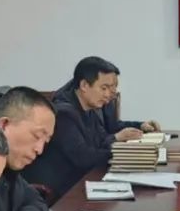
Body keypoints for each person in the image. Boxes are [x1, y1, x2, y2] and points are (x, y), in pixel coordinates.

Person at [24, 56, 154, 198]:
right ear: (84, 85)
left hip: (82, 181)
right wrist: (124, 153)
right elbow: (84, 157)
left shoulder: (90, 108)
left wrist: (127, 146)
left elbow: (101, 139)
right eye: (104, 88)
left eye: (111, 88)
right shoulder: (64, 114)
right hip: (59, 192)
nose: (108, 94)